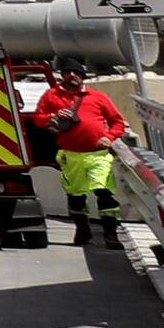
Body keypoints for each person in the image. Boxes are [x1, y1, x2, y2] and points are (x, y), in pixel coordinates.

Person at [56, 72, 135, 244]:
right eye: (66, 73)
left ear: (82, 76)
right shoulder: (53, 97)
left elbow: (118, 122)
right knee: (75, 196)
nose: (71, 76)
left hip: (98, 155)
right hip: (70, 156)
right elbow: (40, 119)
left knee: (104, 192)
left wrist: (109, 137)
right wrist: (52, 118)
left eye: (75, 73)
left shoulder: (98, 98)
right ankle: (83, 232)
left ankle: (111, 235)